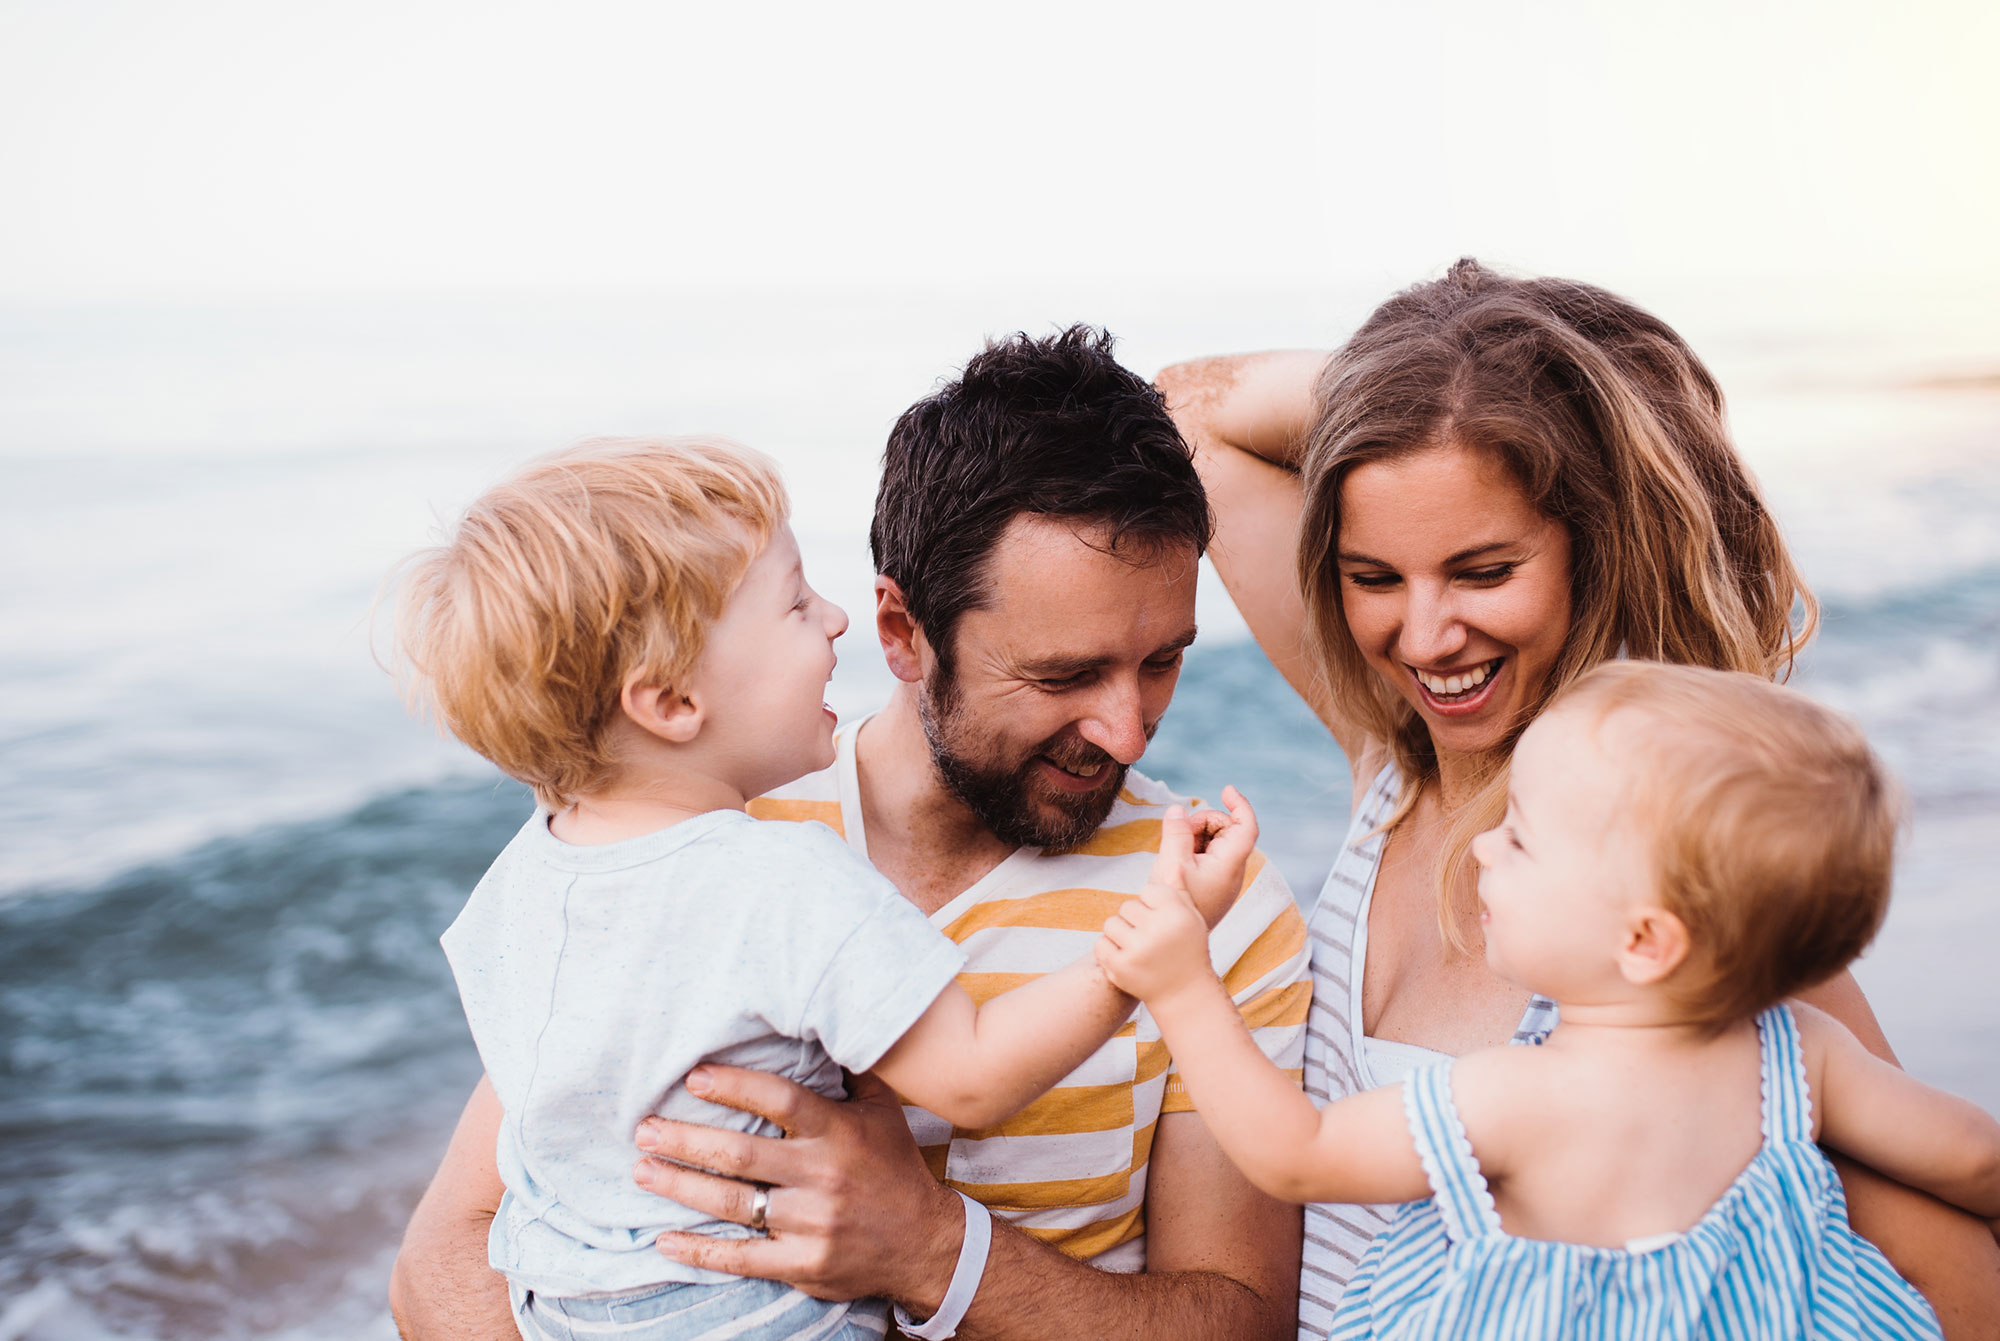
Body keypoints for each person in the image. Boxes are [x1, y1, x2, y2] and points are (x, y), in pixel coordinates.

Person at [389, 327, 1313, 1340]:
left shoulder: (1218, 906)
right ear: (901, 631)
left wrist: (929, 1248)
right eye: (1060, 676)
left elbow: (1241, 1323)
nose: (1125, 731)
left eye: (1161, 662)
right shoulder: (724, 844)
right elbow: (446, 1254)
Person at [1156, 257, 2000, 1337]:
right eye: (1374, 578)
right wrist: (1434, 382)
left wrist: (1546, 413)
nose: (1420, 638)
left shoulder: (1677, 889)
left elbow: (1953, 1275)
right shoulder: (1389, 749)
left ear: (1589, 546)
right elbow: (1184, 413)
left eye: (1481, 570)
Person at [1099, 660, 2000, 1337]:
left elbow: (1296, 1153)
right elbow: (1974, 1156)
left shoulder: (1519, 1096)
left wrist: (1183, 985)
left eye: (1521, 842)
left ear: (1644, 941)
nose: (1482, 850)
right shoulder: (1798, 1052)